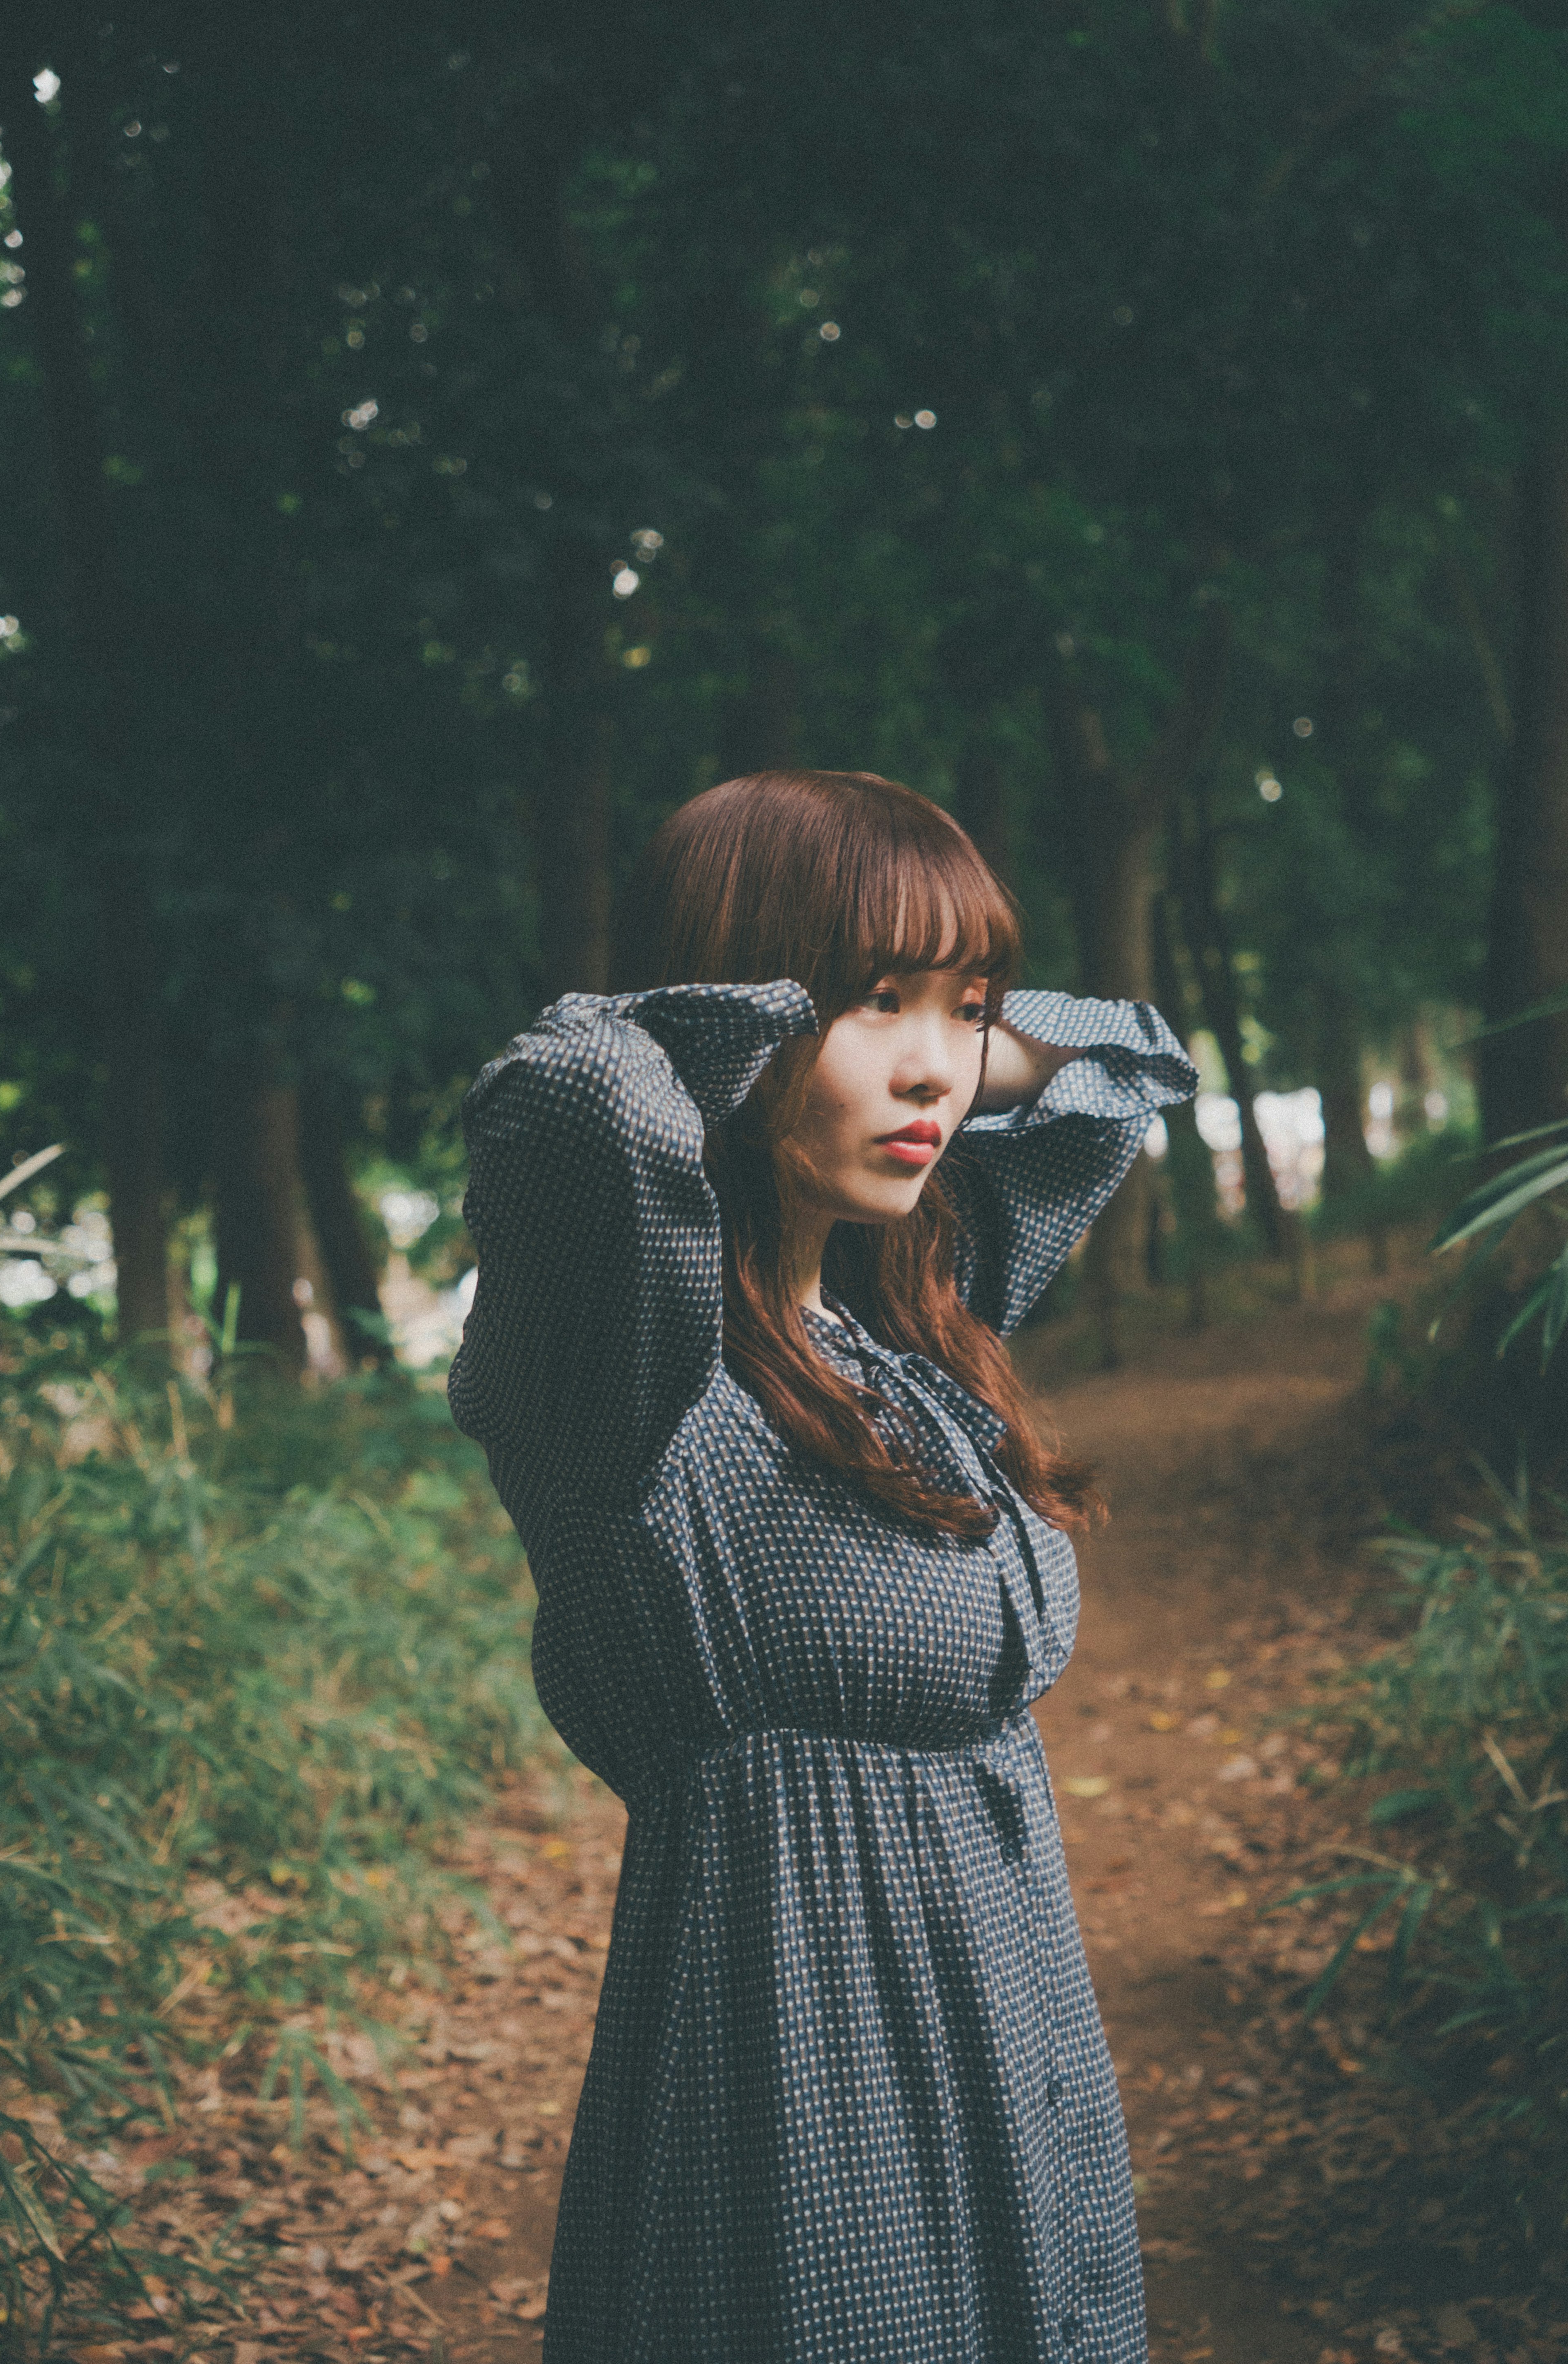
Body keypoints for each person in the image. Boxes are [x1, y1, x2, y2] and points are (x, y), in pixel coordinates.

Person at [450, 770, 1198, 2363]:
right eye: (877, 1006)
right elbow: (575, 1094)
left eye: (971, 1011)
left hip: (1021, 2052)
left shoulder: (900, 1329)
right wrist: (760, 1017)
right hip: (799, 2096)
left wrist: (904, 1016)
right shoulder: (633, 1374)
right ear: (740, 1007)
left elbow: (1132, 1067)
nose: (941, 1067)